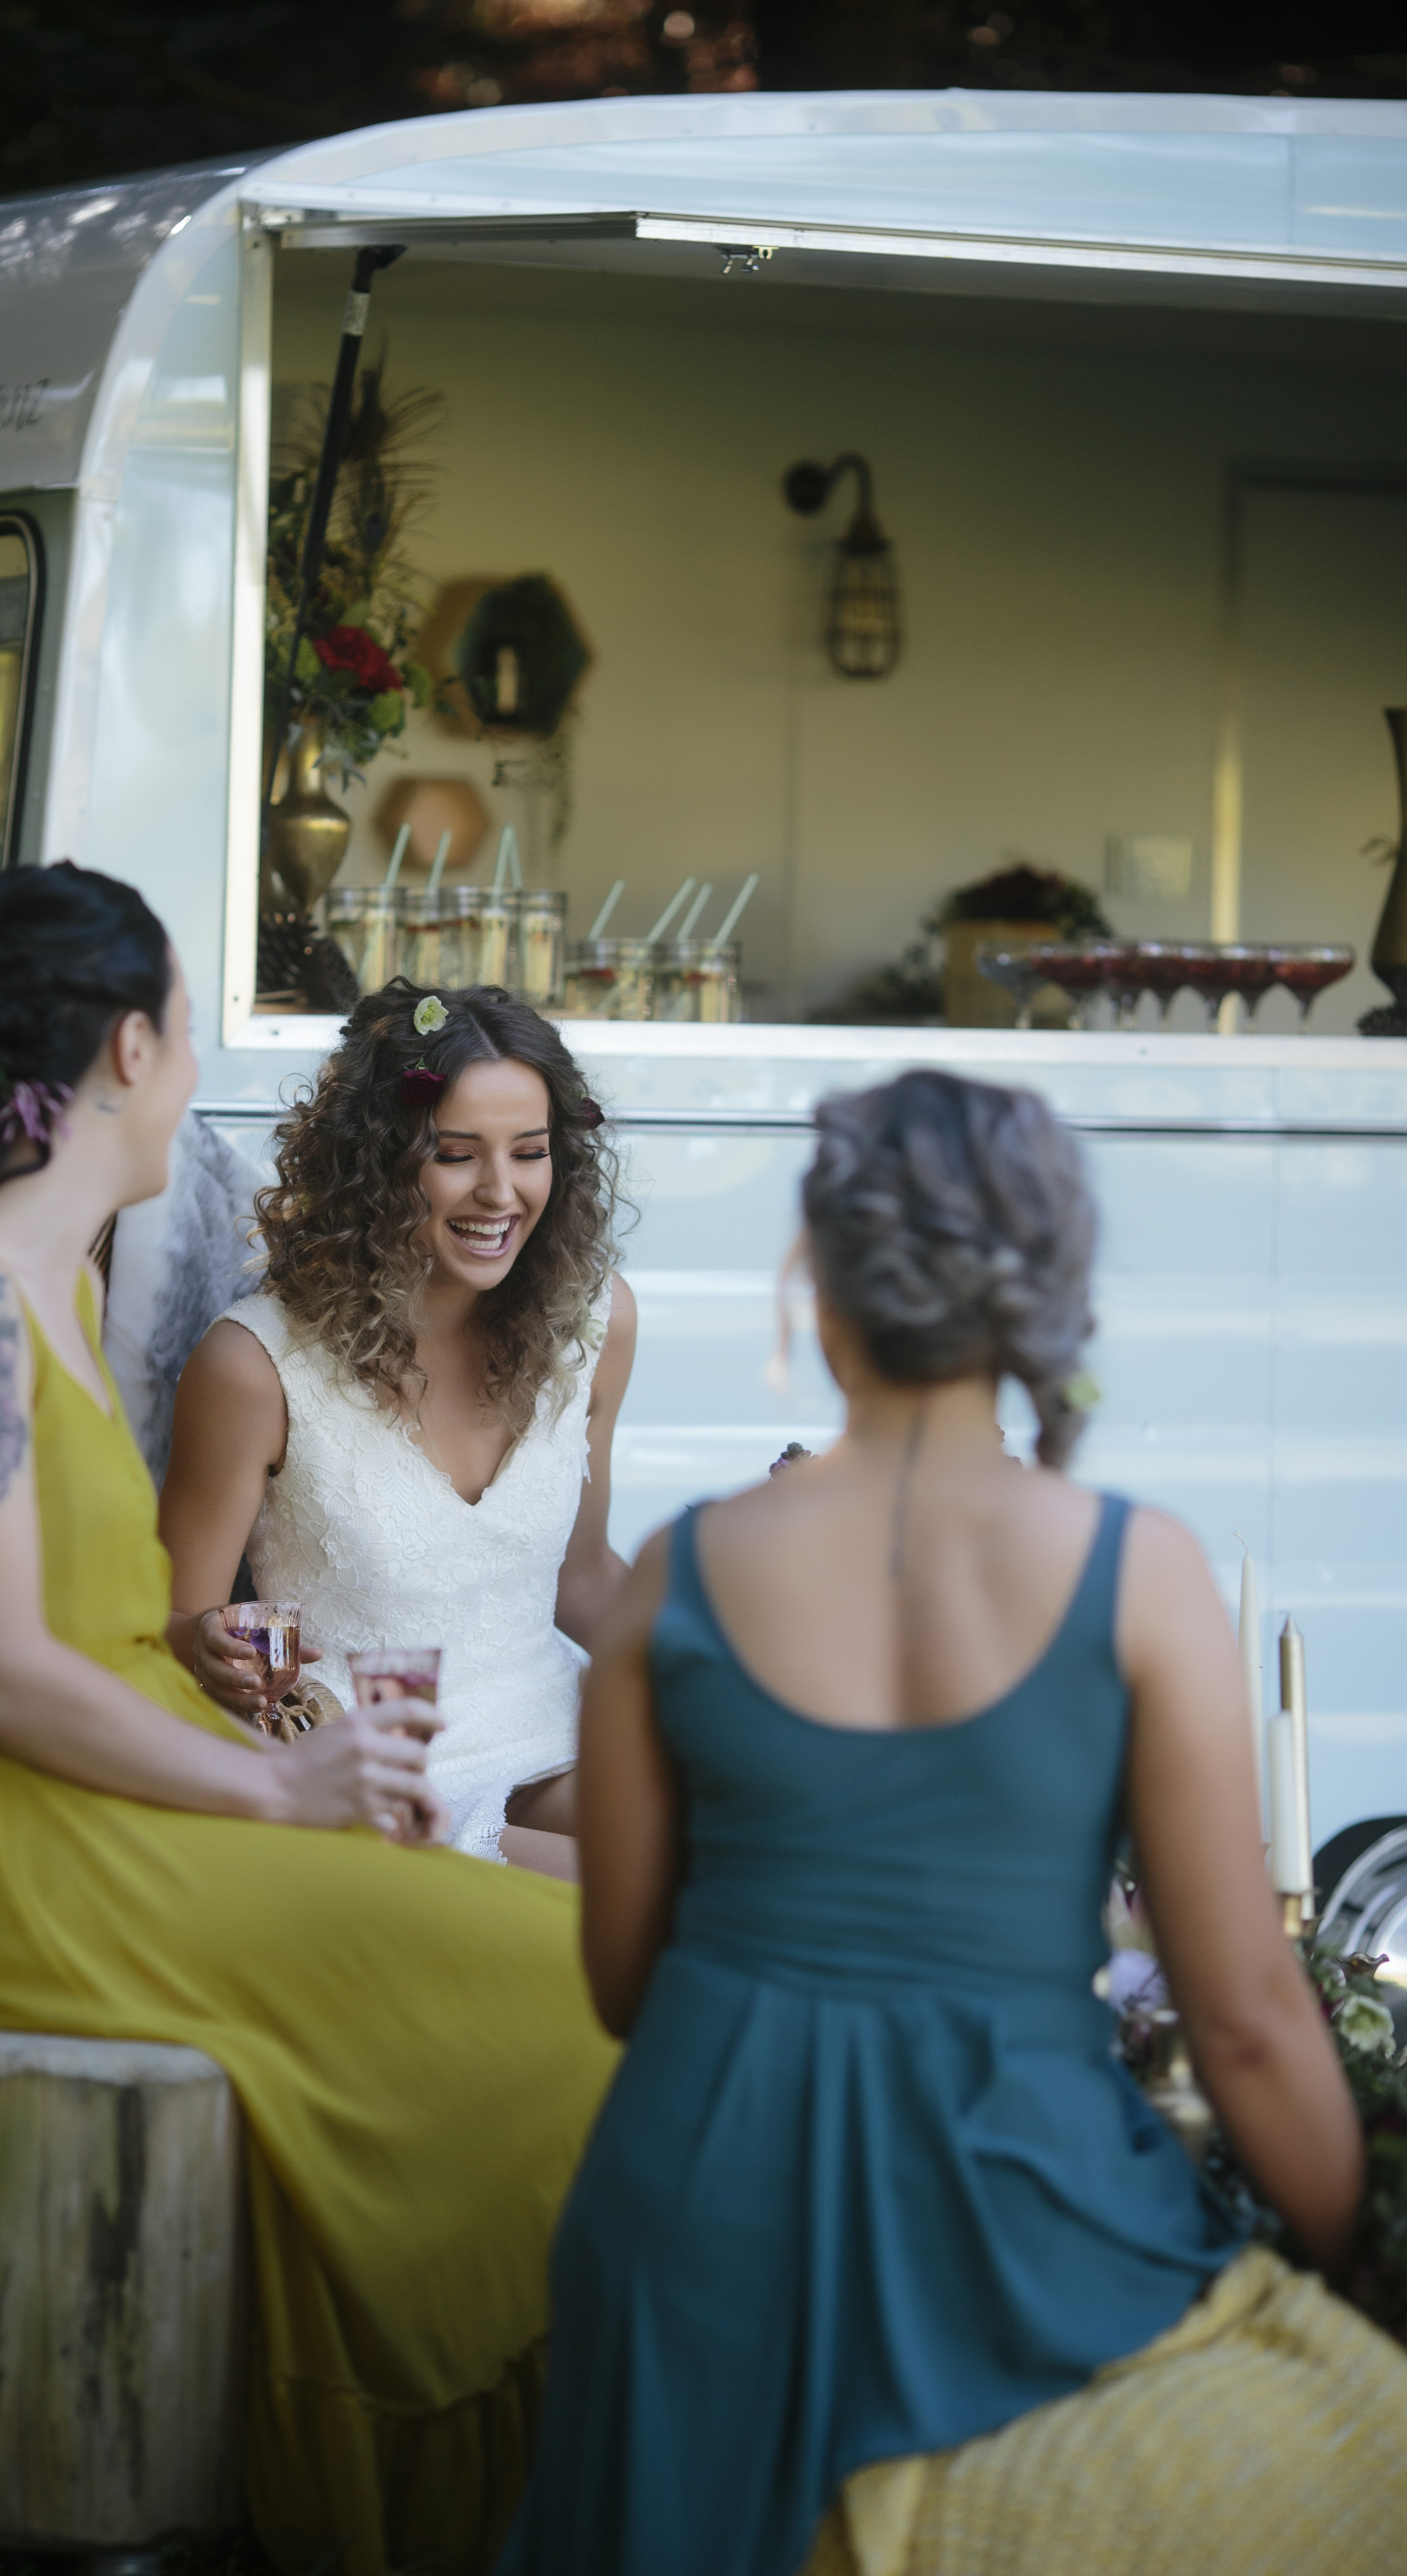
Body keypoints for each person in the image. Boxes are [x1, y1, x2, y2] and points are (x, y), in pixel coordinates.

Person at [0, 865, 616, 2576]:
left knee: (552, 1959)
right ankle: (487, 2481)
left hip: (108, 1802)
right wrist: (279, 1793)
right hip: (7, 1849)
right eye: (188, 1034)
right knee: (552, 1992)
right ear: (130, 1045)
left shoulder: (49, 1282)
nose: (199, 1072)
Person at [498, 1067, 1407, 2576]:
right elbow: (1248, 2021)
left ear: (823, 1284)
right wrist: (1350, 2268)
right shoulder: (1138, 1574)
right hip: (1011, 2211)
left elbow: (620, 1986)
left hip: (696, 2211)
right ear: (1041, 1291)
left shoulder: (680, 1574)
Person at [160, 977, 636, 1878]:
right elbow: (165, 1619)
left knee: (753, 1853)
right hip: (372, 1782)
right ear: (375, 1164)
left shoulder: (596, 1326)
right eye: (456, 1155)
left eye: (531, 1152)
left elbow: (583, 1577)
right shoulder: (254, 1367)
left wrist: (744, 1680)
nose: (501, 1193)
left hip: (550, 1733)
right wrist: (204, 1642)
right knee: (646, 1908)